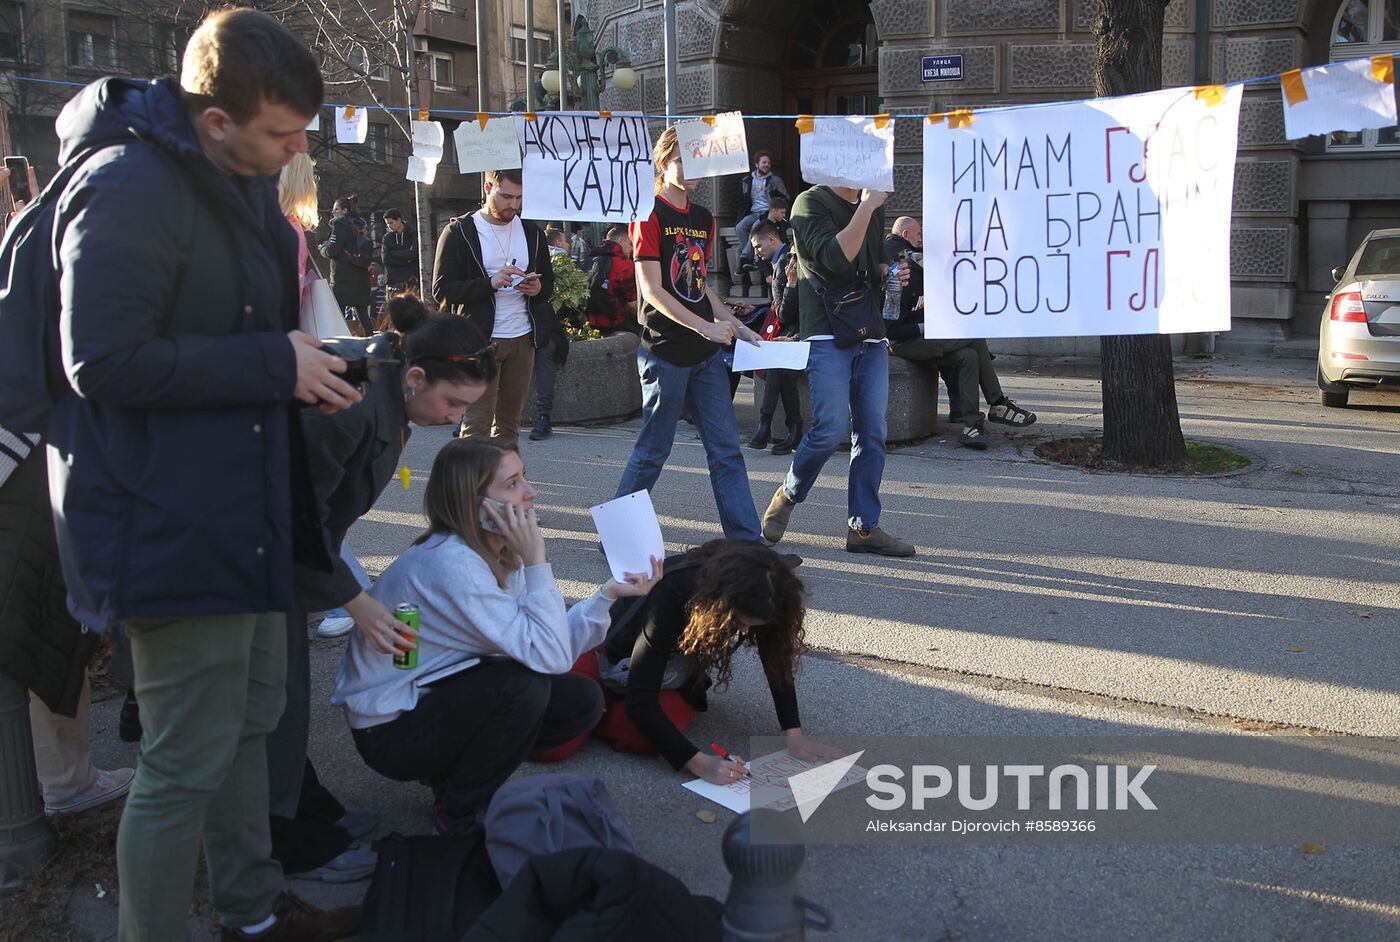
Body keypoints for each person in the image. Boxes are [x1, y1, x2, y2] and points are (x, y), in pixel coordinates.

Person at [47, 8, 362, 941]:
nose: (298, 150)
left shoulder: (241, 181)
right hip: (165, 524)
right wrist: (275, 364)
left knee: (253, 720)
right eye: (282, 133)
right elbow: (98, 361)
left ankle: (251, 911)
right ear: (214, 120)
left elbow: (239, 339)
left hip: (241, 512)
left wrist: (309, 363)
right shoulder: (129, 185)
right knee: (185, 760)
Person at [267, 296, 496, 880]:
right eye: (451, 402)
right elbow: (297, 516)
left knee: (283, 700)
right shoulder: (349, 401)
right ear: (416, 376)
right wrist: (357, 601)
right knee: (272, 703)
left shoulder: (387, 386)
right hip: (253, 564)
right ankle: (286, 841)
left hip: (282, 561)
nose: (453, 419)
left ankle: (304, 808)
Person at [332, 439, 661, 834]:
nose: (530, 492)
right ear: (476, 504)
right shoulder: (453, 564)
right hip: (389, 730)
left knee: (579, 701)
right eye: (512, 483)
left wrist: (607, 595)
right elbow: (551, 656)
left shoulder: (495, 552)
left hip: (432, 690)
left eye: (525, 477)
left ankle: (456, 776)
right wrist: (539, 561)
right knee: (523, 690)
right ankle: (456, 813)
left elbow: (547, 648)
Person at [567, 540, 839, 784]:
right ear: (718, 603)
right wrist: (701, 764)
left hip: (669, 670)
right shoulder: (673, 592)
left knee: (641, 735)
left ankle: (598, 710)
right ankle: (593, 704)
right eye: (739, 622)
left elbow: (776, 660)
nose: (743, 631)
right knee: (567, 736)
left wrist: (794, 735)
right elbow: (641, 698)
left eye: (751, 626)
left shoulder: (766, 591)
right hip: (616, 652)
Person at [611, 127, 764, 542]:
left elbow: (698, 285)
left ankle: (747, 546)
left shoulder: (703, 219)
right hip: (664, 352)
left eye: (700, 161)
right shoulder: (648, 213)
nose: (695, 170)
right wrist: (707, 327)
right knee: (652, 451)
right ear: (663, 163)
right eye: (684, 161)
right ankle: (621, 542)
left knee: (727, 451)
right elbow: (652, 290)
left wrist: (738, 327)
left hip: (705, 353)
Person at [760, 182, 916, 558]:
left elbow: (872, 259)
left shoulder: (872, 205)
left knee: (873, 431)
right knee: (830, 428)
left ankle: (863, 528)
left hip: (870, 330)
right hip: (827, 330)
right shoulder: (809, 202)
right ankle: (788, 493)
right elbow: (835, 258)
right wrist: (866, 207)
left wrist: (890, 273)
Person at [884, 217, 1036, 449]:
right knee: (973, 337)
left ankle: (972, 426)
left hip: (924, 338)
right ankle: (998, 403)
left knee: (968, 356)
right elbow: (891, 329)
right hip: (903, 342)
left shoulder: (929, 273)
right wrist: (927, 327)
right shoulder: (903, 275)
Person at [432, 168, 555, 451]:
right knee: (476, 426)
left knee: (510, 426)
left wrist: (537, 289)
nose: (513, 205)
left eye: (519, 198)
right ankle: (468, 492)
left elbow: (548, 283)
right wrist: (490, 283)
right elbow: (442, 289)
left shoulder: (531, 232)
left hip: (522, 338)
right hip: (479, 341)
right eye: (506, 196)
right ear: (488, 187)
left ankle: (508, 489)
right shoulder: (459, 231)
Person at [746, 220, 803, 456]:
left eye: (758, 246)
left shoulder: (816, 264)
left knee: (779, 360)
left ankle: (768, 424)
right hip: (793, 334)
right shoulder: (783, 265)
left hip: (812, 334)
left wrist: (799, 336)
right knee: (779, 362)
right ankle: (789, 426)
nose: (756, 253)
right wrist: (790, 284)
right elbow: (782, 312)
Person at [320, 198, 373, 336]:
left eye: (336, 209)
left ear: (345, 210)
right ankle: (372, 343)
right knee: (363, 316)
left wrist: (323, 249)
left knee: (339, 316)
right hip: (360, 279)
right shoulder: (361, 225)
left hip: (343, 279)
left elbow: (333, 251)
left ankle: (342, 346)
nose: (333, 212)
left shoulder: (340, 226)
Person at [735, 151, 788, 273]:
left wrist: (774, 195)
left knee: (755, 227)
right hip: (753, 212)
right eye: (764, 162)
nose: (767, 165)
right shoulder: (747, 180)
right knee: (740, 227)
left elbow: (785, 197)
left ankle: (749, 258)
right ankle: (749, 257)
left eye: (768, 163)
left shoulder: (775, 180)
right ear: (756, 164)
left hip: (767, 212)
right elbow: (741, 200)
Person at [582, 223, 638, 334]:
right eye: (631, 244)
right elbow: (633, 304)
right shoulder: (625, 265)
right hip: (618, 326)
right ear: (621, 241)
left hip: (590, 325)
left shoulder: (590, 259)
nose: (632, 249)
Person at [381, 208, 418, 290]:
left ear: (399, 220)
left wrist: (394, 253)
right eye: (387, 224)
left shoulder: (412, 234)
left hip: (410, 280)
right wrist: (407, 259)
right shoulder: (387, 238)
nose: (389, 226)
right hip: (393, 282)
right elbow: (386, 259)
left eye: (391, 223)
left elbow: (414, 254)